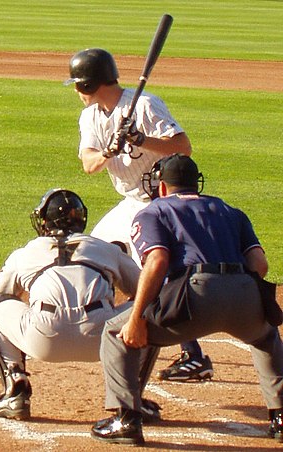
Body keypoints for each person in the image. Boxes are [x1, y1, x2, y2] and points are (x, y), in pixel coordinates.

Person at [90, 154, 283, 446]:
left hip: (195, 295)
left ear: (162, 187)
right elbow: (259, 263)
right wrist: (237, 293)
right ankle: (280, 418)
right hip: (244, 291)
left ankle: (127, 419)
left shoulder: (153, 211)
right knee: (266, 338)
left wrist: (137, 317)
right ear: (196, 183)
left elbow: (156, 262)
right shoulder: (231, 211)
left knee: (117, 332)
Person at [64, 47, 213, 382]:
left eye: (77, 84)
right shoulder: (90, 117)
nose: (75, 91)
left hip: (160, 203)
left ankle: (194, 356)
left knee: (154, 272)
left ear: (89, 84)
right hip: (130, 203)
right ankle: (96, 322)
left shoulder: (144, 105)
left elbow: (183, 147)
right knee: (88, 252)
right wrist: (109, 150)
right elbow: (89, 165)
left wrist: (141, 139)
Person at [0, 188, 160, 421]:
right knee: (149, 309)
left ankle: (15, 390)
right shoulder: (105, 248)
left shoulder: (26, 252)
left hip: (43, 339)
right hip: (103, 339)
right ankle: (131, 399)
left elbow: (0, 293)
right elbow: (143, 290)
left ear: (44, 221)